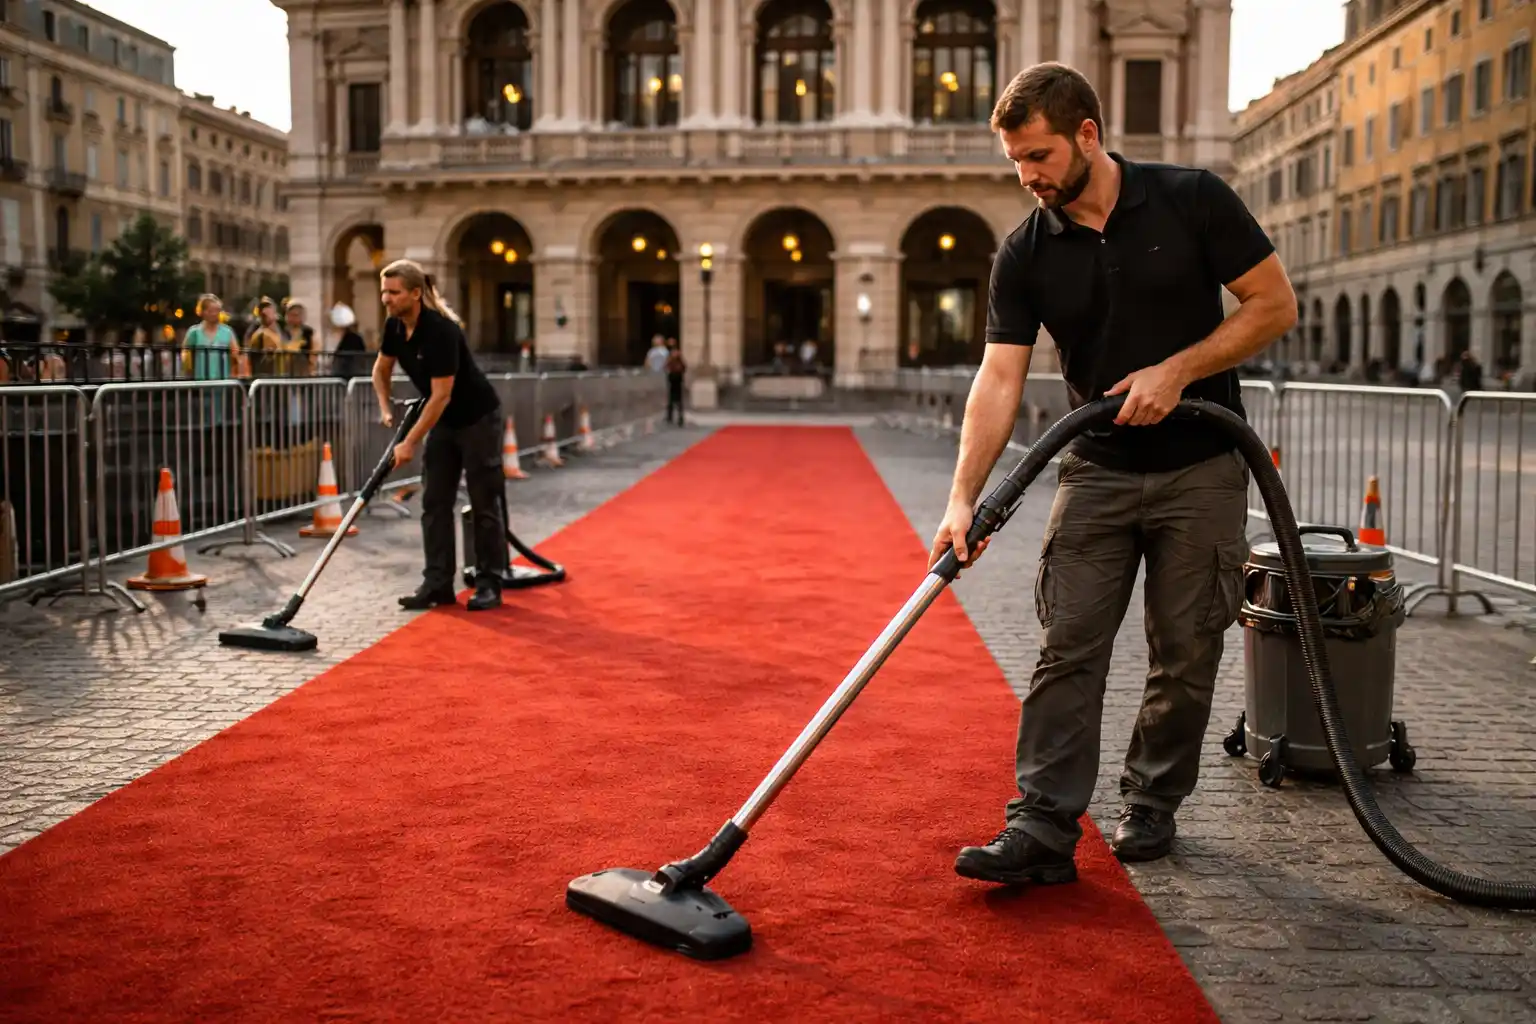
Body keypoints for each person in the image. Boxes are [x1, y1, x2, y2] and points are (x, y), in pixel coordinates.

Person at [932, 62, 1296, 884]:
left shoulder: (1192, 199)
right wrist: (962, 500)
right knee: (1067, 648)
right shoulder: (1026, 250)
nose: (1027, 176)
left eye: (1039, 156)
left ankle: (1151, 801)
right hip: (1093, 470)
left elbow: (1273, 305)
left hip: (1202, 466)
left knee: (1185, 648)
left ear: (1088, 135)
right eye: (1015, 161)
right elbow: (998, 378)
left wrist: (1179, 370)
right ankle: (1041, 826)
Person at [371, 258, 509, 612]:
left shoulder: (443, 330)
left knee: (483, 502)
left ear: (416, 293)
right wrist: (386, 409)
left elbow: (441, 394)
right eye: (383, 291)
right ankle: (437, 584)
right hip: (444, 422)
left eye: (394, 292)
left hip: (477, 418)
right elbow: (380, 370)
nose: (386, 298)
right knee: (434, 501)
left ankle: (489, 582)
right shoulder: (394, 327)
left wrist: (409, 441)